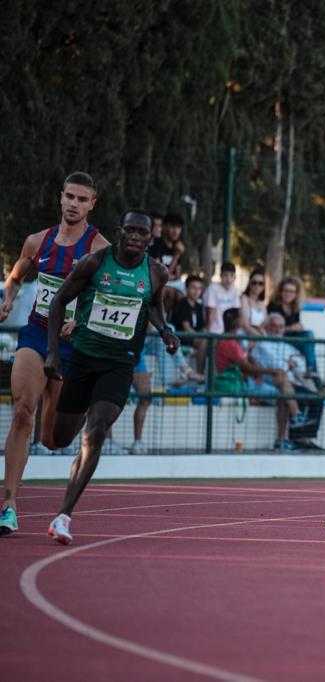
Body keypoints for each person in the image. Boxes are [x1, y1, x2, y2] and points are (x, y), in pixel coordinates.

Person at [41, 210, 179, 544]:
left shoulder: (156, 273)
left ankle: (63, 515)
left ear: (149, 238)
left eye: (141, 232)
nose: (135, 236)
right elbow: (60, 301)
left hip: (119, 364)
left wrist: (164, 331)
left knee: (96, 431)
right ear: (120, 232)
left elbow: (154, 306)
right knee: (59, 438)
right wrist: (53, 351)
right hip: (83, 359)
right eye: (130, 229)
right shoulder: (94, 263)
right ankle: (55, 412)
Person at [0, 172, 108, 537]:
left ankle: (56, 413)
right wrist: (9, 298)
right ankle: (9, 504)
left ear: (92, 204)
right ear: (60, 198)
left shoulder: (99, 249)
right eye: (70, 197)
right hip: (37, 333)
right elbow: (16, 276)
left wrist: (79, 317)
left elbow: (108, 296)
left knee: (54, 439)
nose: (74, 204)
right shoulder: (37, 241)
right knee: (22, 411)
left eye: (82, 199)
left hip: (72, 344)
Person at [215, 308, 308, 450]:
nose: (246, 321)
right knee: (282, 387)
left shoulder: (235, 340)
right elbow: (248, 368)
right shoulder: (229, 342)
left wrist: (260, 366)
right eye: (243, 318)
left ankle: (288, 429)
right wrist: (271, 371)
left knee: (282, 382)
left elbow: (248, 362)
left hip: (248, 380)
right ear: (237, 321)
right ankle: (289, 427)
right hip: (239, 383)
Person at [269, 276, 316, 373]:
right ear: (280, 291)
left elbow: (298, 326)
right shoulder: (274, 305)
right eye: (286, 291)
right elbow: (275, 329)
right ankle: (313, 373)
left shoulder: (294, 307)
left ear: (296, 294)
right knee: (308, 341)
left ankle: (312, 371)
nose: (288, 294)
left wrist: (297, 327)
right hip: (280, 338)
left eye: (292, 291)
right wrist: (291, 328)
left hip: (292, 337)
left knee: (309, 336)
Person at [169, 274, 207, 369]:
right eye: (193, 288)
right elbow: (186, 328)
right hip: (182, 337)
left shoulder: (199, 306)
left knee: (212, 342)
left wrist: (204, 333)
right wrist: (201, 337)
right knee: (204, 342)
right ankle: (200, 375)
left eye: (199, 288)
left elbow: (202, 327)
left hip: (194, 337)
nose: (196, 291)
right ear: (186, 289)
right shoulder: (182, 304)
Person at [204, 261, 240, 335]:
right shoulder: (212, 288)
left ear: (235, 277)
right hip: (214, 332)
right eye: (225, 275)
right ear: (221, 276)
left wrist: (233, 332)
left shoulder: (235, 290)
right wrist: (208, 332)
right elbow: (210, 312)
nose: (228, 279)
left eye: (231, 275)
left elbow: (236, 313)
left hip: (229, 332)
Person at [239, 267, 269, 337]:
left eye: (260, 283)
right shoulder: (244, 299)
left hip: (259, 336)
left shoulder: (262, 303)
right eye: (254, 283)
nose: (257, 286)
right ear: (249, 284)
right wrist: (261, 338)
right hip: (246, 336)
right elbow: (245, 325)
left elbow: (264, 325)